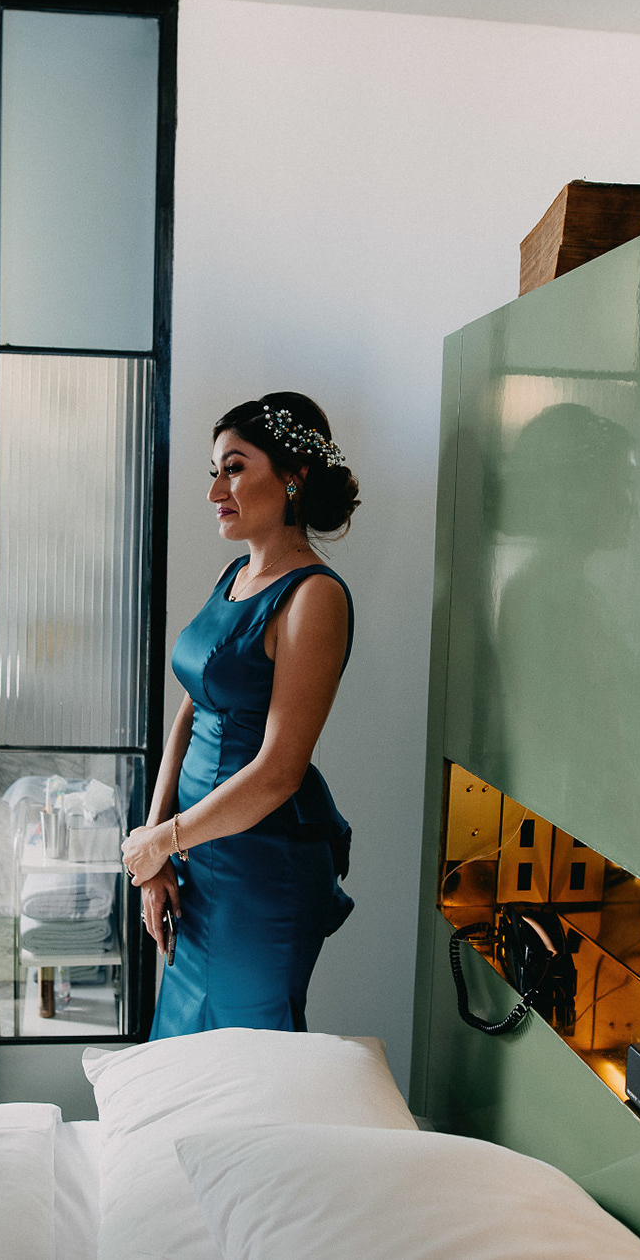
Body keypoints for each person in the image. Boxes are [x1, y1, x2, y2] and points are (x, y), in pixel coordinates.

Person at [121, 392, 361, 1037]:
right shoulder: (234, 574)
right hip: (194, 849)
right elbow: (191, 711)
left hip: (261, 867)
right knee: (184, 1042)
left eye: (233, 468)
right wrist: (157, 847)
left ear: (293, 476)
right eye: (215, 472)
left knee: (243, 1053)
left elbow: (280, 771)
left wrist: (164, 841)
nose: (215, 491)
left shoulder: (314, 597)